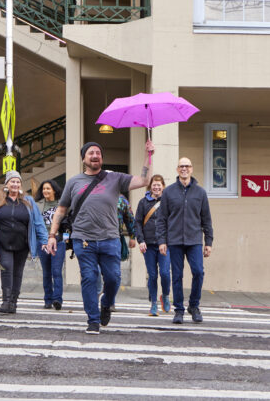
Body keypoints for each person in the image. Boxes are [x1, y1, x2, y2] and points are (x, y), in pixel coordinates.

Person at [46, 139, 154, 335]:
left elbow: (144, 181)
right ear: (83, 158)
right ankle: (93, 319)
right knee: (88, 278)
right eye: (91, 153)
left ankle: (106, 303)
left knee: (113, 278)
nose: (95, 155)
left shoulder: (115, 178)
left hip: (110, 239)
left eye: (98, 153)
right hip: (83, 239)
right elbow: (61, 210)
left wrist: (149, 156)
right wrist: (53, 235)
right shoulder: (74, 182)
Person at [158, 157, 214, 325]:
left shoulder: (200, 192)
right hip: (174, 240)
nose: (184, 169)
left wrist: (209, 242)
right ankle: (179, 310)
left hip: (194, 240)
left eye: (187, 166)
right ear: (177, 169)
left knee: (198, 272)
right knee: (177, 276)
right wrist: (162, 240)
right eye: (181, 166)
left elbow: (206, 220)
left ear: (191, 169)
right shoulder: (168, 192)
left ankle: (194, 306)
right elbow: (161, 219)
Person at [0, 170, 49, 315]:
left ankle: (14, 301)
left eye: (17, 182)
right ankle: (6, 301)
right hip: (3, 243)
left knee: (18, 272)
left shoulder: (29, 201)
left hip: (22, 244)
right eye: (12, 181)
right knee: (6, 268)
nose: (15, 184)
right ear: (7, 184)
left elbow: (38, 222)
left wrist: (44, 240)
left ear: (21, 184)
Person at [134, 173, 172, 316]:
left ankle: (166, 296)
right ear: (150, 187)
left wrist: (169, 241)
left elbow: (172, 222)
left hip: (164, 244)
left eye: (159, 185)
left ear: (163, 187)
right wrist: (140, 240)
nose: (156, 187)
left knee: (165, 273)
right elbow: (137, 222)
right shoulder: (143, 202)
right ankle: (154, 303)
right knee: (152, 275)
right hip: (148, 244)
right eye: (154, 185)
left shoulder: (168, 202)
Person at [36, 179, 65, 310]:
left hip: (58, 242)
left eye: (48, 188)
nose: (45, 191)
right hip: (43, 242)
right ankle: (48, 299)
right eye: (43, 189)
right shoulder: (38, 205)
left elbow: (67, 225)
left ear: (54, 190)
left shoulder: (63, 204)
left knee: (56, 271)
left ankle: (57, 299)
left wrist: (66, 239)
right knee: (47, 272)